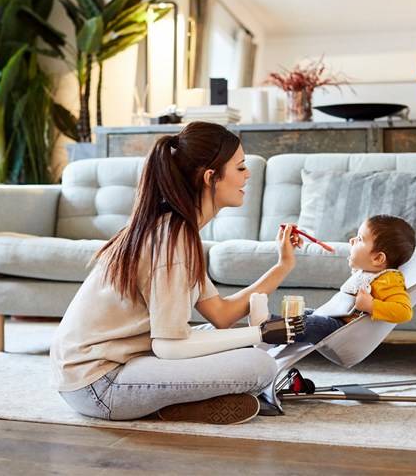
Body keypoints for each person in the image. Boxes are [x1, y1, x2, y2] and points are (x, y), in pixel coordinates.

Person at [50, 121, 305, 425]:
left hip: (108, 371)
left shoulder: (176, 230)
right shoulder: (172, 240)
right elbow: (169, 346)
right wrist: (259, 334)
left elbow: (221, 315)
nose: (247, 174)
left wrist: (282, 265)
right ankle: (167, 404)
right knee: (260, 365)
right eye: (240, 168)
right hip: (99, 384)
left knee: (222, 337)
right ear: (210, 177)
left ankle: (174, 403)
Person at [251, 214, 416, 343]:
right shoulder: (367, 273)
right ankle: (270, 329)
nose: (352, 240)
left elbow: (404, 312)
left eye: (359, 239)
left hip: (342, 329)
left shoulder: (389, 280)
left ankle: (266, 325)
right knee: (306, 313)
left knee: (310, 324)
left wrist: (371, 305)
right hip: (333, 318)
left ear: (378, 259)